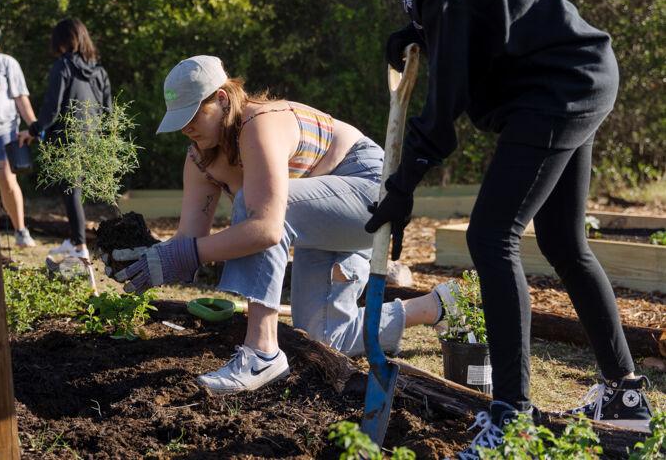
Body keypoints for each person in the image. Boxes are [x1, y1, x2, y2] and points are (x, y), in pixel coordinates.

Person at [325, 0, 652, 455]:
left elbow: (444, 104)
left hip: (558, 91)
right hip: (575, 75)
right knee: (562, 243)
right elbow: (473, 25)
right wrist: (422, 31)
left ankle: (512, 419)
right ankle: (625, 397)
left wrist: (404, 183)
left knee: (491, 236)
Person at [111, 55, 459, 394]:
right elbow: (190, 240)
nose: (186, 127)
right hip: (321, 217)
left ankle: (262, 352)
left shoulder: (258, 123)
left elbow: (266, 228)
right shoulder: (200, 158)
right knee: (324, 336)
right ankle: (436, 306)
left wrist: (183, 255)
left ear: (220, 98)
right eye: (179, 119)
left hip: (371, 190)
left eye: (193, 114)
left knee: (258, 205)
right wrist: (150, 258)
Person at [22, 18, 112, 266]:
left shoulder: (62, 66)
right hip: (90, 139)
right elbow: (108, 112)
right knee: (75, 191)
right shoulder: (99, 71)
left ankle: (79, 244)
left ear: (61, 40)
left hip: (66, 138)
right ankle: (77, 241)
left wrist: (35, 128)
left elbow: (52, 107)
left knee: (70, 191)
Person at [0, 20, 37, 248]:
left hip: (4, 131)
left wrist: (34, 124)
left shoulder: (7, 64)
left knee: (7, 180)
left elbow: (20, 97)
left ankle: (21, 230)